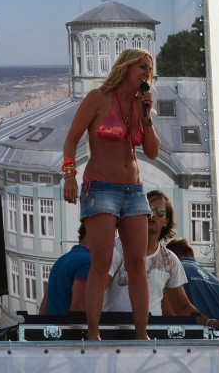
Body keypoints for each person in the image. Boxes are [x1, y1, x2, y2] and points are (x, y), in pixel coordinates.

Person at [62, 48, 160, 340]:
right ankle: (93, 333)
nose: (146, 73)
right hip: (101, 188)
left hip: (134, 190)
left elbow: (152, 152)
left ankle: (142, 334)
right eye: (142, 66)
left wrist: (147, 117)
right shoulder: (99, 98)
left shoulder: (142, 106)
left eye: (150, 69)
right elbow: (71, 137)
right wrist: (69, 174)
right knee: (102, 262)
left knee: (137, 263)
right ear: (126, 67)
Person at [104, 190, 219, 329]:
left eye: (160, 212)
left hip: (150, 337)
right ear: (138, 212)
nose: (153, 214)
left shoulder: (171, 260)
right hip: (113, 335)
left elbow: (182, 306)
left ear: (166, 221)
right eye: (149, 208)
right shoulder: (115, 249)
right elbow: (97, 290)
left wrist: (209, 322)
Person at [166, 238, 219, 320]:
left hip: (190, 327)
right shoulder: (217, 282)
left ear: (171, 256)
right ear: (191, 253)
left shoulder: (175, 271)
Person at [39, 223, 90, 315]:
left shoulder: (61, 260)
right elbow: (78, 308)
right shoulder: (87, 262)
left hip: (53, 323)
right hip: (71, 324)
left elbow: (44, 307)